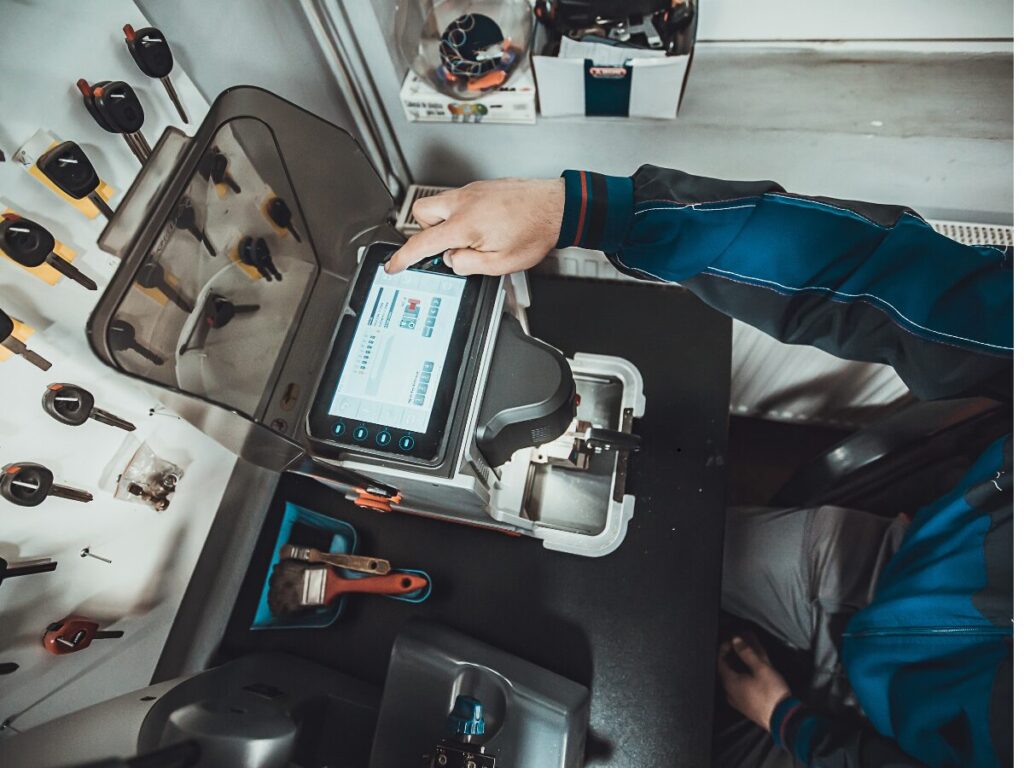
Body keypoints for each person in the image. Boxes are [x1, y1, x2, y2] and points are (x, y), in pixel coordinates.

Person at [386, 167, 1012, 767]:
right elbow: (879, 277)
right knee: (671, 550)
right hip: (887, 567)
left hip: (868, 736)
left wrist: (788, 720)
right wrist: (582, 210)